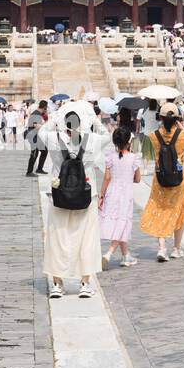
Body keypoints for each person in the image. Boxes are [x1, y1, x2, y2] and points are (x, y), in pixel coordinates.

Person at [43, 101, 109, 296]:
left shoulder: (53, 139)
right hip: (87, 195)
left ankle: (57, 283)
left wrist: (54, 119)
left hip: (58, 194)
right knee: (87, 239)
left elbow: (40, 133)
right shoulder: (93, 140)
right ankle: (85, 284)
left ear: (64, 123)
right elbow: (107, 135)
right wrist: (95, 121)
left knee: (58, 238)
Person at [140, 102, 184, 262]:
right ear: (176, 118)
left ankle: (162, 247)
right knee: (179, 211)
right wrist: (181, 126)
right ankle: (176, 248)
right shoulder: (183, 136)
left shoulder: (153, 136)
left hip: (160, 180)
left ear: (161, 118)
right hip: (180, 179)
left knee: (159, 210)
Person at [98, 126, 140, 268]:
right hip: (125, 194)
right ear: (129, 141)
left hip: (111, 192)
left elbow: (107, 178)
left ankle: (126, 256)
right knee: (122, 224)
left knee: (119, 223)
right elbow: (138, 179)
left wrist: (101, 195)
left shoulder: (110, 157)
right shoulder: (133, 158)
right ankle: (109, 253)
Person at [25, 101, 49, 176]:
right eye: (46, 108)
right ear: (44, 107)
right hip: (33, 135)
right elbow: (36, 125)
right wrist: (44, 125)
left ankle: (39, 169)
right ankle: (29, 172)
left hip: (36, 135)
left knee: (44, 151)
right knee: (34, 153)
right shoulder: (36, 114)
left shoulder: (38, 113)